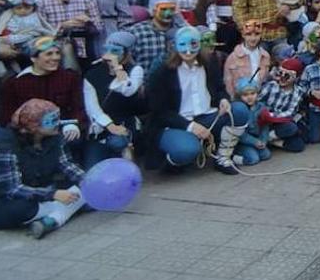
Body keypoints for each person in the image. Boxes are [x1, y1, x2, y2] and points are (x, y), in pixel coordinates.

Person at [0, 98, 86, 239]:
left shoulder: (56, 139)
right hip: (5, 202)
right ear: (33, 126)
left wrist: (88, 181)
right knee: (22, 208)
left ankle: (52, 220)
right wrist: (52, 195)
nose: (57, 124)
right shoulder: (6, 148)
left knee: (84, 188)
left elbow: (68, 166)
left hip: (40, 192)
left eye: (57, 118)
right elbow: (13, 189)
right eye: (50, 121)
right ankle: (59, 213)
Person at [145, 26, 243, 173]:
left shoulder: (210, 63)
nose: (188, 51)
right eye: (183, 45)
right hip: (175, 123)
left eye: (193, 44)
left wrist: (223, 100)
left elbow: (219, 88)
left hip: (207, 116)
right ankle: (171, 162)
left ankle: (223, 157)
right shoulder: (163, 71)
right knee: (187, 150)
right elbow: (159, 111)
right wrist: (190, 127)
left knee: (239, 110)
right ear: (175, 45)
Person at [0, 36, 86, 154]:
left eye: (57, 53)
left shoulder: (70, 78)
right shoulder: (15, 83)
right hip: (28, 133)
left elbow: (78, 107)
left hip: (59, 128)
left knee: (74, 140)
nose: (55, 58)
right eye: (49, 54)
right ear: (34, 58)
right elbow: (7, 116)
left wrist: (73, 124)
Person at [82, 31, 143, 167]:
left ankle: (126, 156)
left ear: (126, 52)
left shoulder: (135, 70)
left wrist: (117, 69)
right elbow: (92, 107)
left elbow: (128, 90)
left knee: (118, 142)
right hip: (101, 125)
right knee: (92, 168)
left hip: (124, 121)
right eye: (107, 50)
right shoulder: (92, 73)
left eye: (116, 51)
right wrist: (109, 125)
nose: (110, 54)